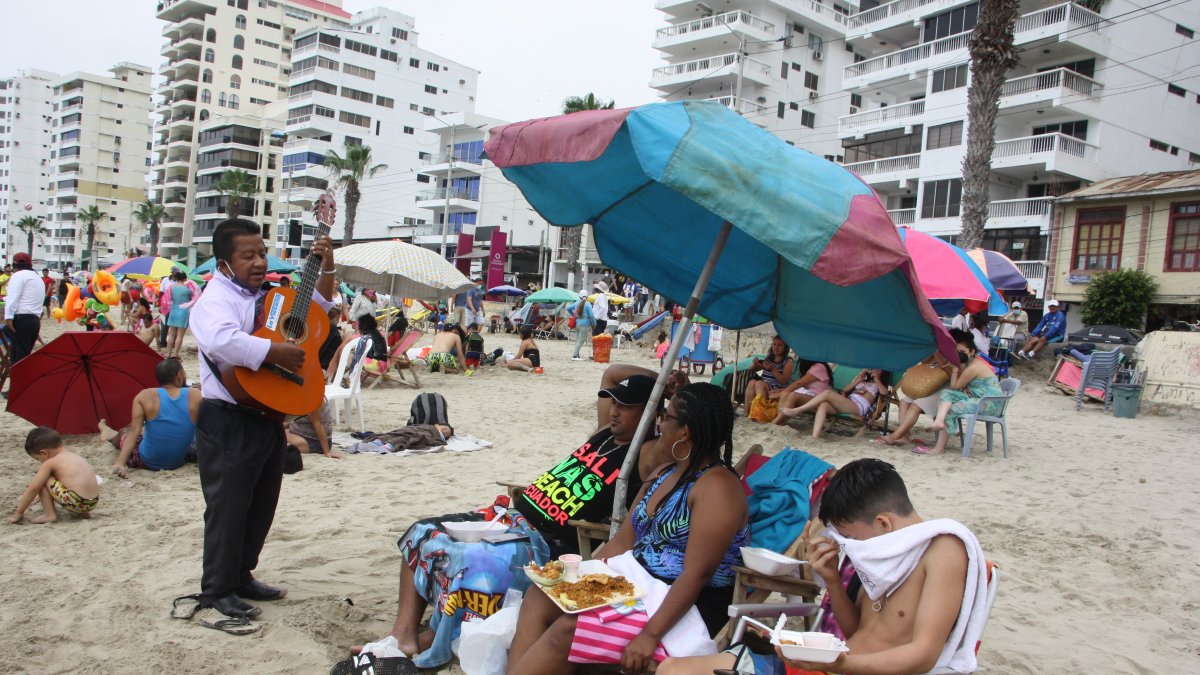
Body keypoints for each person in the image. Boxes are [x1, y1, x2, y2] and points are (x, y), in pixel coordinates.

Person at [355, 376, 669, 667]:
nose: (615, 411)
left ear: (651, 412)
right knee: (423, 531)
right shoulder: (604, 433)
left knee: (467, 560)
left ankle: (432, 637)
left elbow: (677, 436)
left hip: (545, 543)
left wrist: (669, 393)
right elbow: (613, 372)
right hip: (509, 516)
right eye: (614, 402)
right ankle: (403, 634)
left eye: (626, 406)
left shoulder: (643, 453)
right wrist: (660, 383)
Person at [507, 382, 750, 675]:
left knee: (572, 629)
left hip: (683, 606)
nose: (660, 423)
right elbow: (622, 541)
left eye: (666, 417)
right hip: (636, 584)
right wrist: (579, 580)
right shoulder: (665, 473)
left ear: (684, 431)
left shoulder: (718, 488)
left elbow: (696, 574)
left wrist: (650, 635)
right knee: (541, 596)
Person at [660, 458, 981, 675]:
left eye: (851, 539)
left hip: (841, 669)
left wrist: (839, 664)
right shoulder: (887, 555)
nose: (849, 549)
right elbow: (859, 632)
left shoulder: (944, 550)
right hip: (828, 666)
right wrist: (834, 582)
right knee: (671, 668)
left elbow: (924, 655)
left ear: (883, 523)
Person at [189, 217, 337, 619]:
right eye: (247, 256)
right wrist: (273, 354)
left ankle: (241, 575)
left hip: (268, 416)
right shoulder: (216, 300)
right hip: (229, 418)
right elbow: (221, 339)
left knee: (260, 505)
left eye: (261, 253)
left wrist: (327, 268)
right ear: (224, 262)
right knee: (228, 507)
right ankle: (217, 589)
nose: (258, 262)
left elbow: (320, 309)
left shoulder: (269, 296)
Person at [98, 358, 201, 478]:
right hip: (177, 461)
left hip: (146, 461)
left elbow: (134, 432)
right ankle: (109, 434)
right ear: (179, 375)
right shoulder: (195, 395)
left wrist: (120, 463)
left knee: (125, 432)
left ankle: (110, 434)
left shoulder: (144, 396)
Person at [914, 329, 1005, 455]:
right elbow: (953, 389)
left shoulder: (973, 367)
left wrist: (955, 369)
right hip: (978, 397)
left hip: (990, 403)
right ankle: (939, 421)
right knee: (946, 394)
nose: (959, 354)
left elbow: (955, 386)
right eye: (956, 352)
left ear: (972, 351)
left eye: (962, 352)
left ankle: (939, 448)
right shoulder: (970, 362)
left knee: (952, 407)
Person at [10, 427, 100, 523]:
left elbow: (33, 488)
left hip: (76, 502)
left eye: (37, 459)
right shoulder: (73, 457)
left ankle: (49, 515)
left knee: (43, 479)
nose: (39, 462)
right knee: (65, 482)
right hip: (92, 502)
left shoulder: (50, 463)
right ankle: (83, 513)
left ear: (44, 453)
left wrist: (19, 513)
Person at [873, 352, 958, 447]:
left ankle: (895, 436)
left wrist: (942, 362)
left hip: (944, 388)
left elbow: (955, 377)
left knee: (916, 404)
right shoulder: (936, 349)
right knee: (904, 401)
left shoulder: (955, 355)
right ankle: (903, 436)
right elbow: (924, 361)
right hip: (927, 385)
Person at [778, 369, 890, 439]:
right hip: (848, 402)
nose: (873, 369)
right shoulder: (863, 380)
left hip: (858, 407)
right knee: (824, 405)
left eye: (877, 368)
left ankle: (797, 410)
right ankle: (815, 437)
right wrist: (858, 379)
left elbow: (885, 393)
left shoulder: (880, 384)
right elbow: (845, 390)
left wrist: (877, 379)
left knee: (827, 393)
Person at [596, 363, 690, 430]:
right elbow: (611, 372)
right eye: (613, 402)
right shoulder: (606, 430)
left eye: (625, 406)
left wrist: (681, 392)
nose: (613, 413)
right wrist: (662, 380)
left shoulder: (648, 450)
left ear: (650, 416)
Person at [768, 358, 834, 422]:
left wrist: (780, 393)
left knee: (793, 396)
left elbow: (799, 383)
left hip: (821, 401)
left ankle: (776, 422)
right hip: (813, 398)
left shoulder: (819, 367)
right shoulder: (812, 367)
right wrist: (781, 390)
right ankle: (779, 420)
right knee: (786, 393)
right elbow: (801, 386)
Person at [742, 335, 794, 415]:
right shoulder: (769, 358)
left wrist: (772, 369)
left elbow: (784, 381)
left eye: (780, 345)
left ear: (785, 347)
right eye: (774, 344)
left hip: (777, 389)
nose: (776, 347)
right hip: (765, 385)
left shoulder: (788, 361)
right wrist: (755, 364)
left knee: (759, 384)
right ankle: (747, 411)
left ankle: (760, 412)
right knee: (752, 382)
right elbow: (759, 371)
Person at [4, 253, 42, 362]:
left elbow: (13, 297)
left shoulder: (18, 276)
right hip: (34, 321)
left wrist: (8, 317)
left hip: (22, 320)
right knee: (24, 357)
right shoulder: (36, 277)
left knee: (18, 360)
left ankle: (18, 379)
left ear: (14, 265)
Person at [165, 269, 201, 359]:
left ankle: (168, 353)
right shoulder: (187, 290)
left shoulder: (171, 287)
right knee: (180, 335)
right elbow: (195, 296)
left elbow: (168, 299)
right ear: (185, 278)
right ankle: (175, 353)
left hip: (173, 311)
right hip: (184, 311)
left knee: (171, 334)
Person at [568, 289, 595, 361]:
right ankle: (574, 355)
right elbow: (591, 316)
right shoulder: (588, 304)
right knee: (581, 340)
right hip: (584, 324)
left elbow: (568, 308)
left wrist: (573, 314)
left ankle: (577, 355)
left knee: (578, 340)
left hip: (577, 323)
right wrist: (594, 323)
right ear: (587, 297)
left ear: (579, 296)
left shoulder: (576, 303)